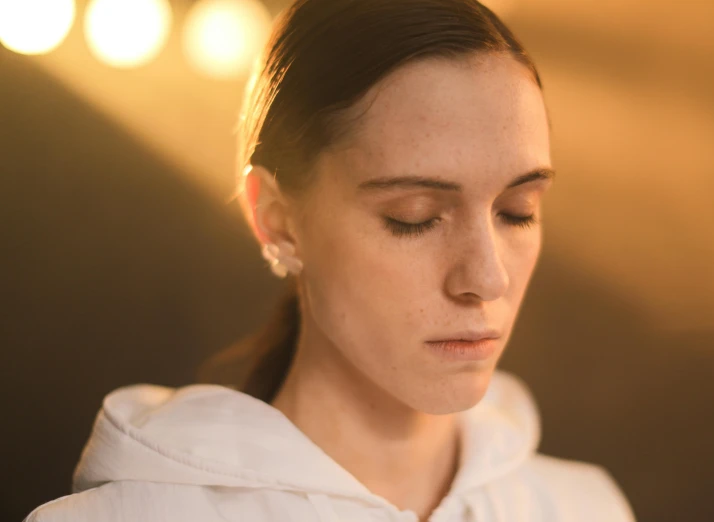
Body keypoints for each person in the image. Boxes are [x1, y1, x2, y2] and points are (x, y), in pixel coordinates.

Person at [25, 0, 636, 520]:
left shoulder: (585, 507)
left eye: (518, 210)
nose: (487, 277)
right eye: (415, 216)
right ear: (277, 219)